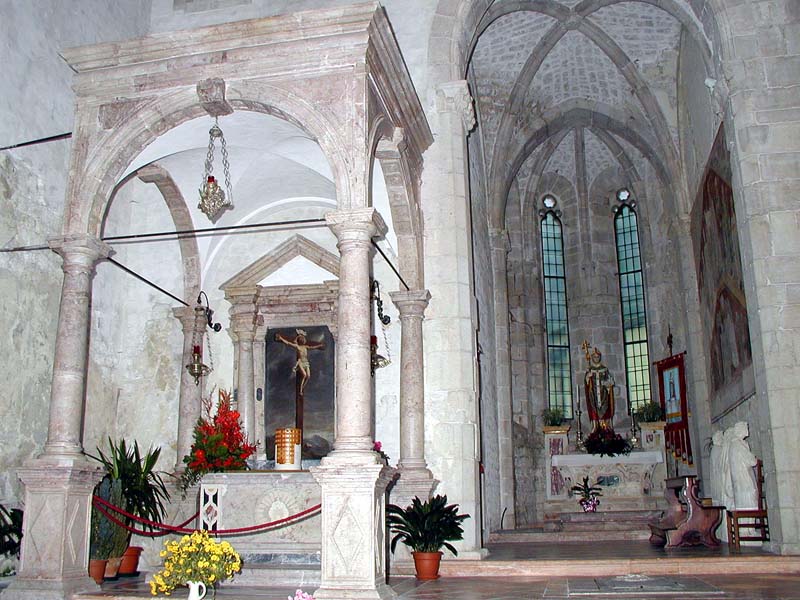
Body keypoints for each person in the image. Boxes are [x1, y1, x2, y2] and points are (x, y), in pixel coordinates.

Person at [275, 329, 324, 396]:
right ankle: (300, 390)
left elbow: (312, 347)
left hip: (306, 362)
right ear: (299, 340)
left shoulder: (305, 347)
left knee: (308, 376)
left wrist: (319, 346)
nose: (302, 340)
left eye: (302, 339)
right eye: (301, 339)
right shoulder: (297, 346)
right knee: (304, 375)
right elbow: (288, 343)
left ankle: (302, 387)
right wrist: (281, 338)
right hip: (300, 362)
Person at [581, 341, 615, 432]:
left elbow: (610, 381)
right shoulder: (590, 369)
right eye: (594, 357)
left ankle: (606, 428)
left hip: (604, 395)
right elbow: (586, 383)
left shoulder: (604, 369)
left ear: (600, 357)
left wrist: (607, 384)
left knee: (605, 410)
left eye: (598, 357)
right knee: (594, 411)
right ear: (592, 358)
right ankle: (595, 428)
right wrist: (588, 377)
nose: (596, 358)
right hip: (594, 395)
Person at [727, 421, 758, 509]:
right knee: (749, 508)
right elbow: (752, 461)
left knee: (744, 508)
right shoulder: (738, 445)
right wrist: (753, 457)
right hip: (744, 481)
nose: (747, 430)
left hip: (740, 483)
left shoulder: (733, 444)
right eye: (745, 427)